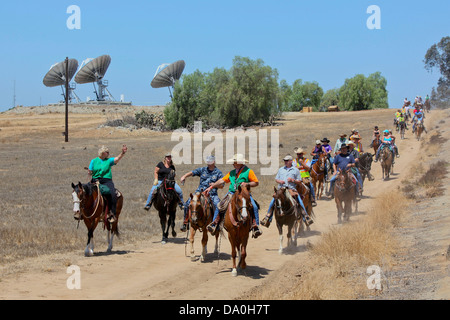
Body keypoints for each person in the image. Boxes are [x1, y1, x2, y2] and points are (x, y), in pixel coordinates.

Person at [204, 154, 262, 238]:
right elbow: (222, 180)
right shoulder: (232, 173)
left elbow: (256, 182)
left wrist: (247, 183)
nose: (233, 164)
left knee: (254, 206)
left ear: (240, 163)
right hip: (231, 193)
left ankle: (255, 226)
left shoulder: (249, 171)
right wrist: (211, 187)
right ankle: (214, 223)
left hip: (243, 194)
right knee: (220, 205)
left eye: (235, 162)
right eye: (233, 162)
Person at [261, 155, 314, 228]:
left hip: (291, 189)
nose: (285, 162)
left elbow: (300, 181)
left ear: (291, 161)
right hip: (281, 189)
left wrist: (293, 180)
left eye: (287, 160)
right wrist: (280, 181)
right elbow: (276, 179)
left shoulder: (296, 170)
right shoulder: (281, 169)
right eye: (284, 161)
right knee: (273, 201)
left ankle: (306, 217)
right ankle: (267, 218)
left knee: (299, 200)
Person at [179, 155, 224, 232]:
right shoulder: (203, 170)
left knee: (218, 206)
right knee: (187, 204)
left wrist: (214, 185)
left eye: (210, 162)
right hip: (199, 193)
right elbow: (193, 172)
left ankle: (215, 224)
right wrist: (184, 176)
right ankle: (185, 222)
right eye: (208, 162)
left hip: (212, 193)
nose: (209, 164)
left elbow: (222, 185)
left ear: (214, 162)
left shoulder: (218, 173)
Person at [85, 145, 127, 223]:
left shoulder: (108, 161)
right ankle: (81, 212)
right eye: (107, 152)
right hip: (95, 180)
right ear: (103, 153)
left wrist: (122, 153)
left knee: (113, 193)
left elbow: (117, 159)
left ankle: (111, 214)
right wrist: (89, 171)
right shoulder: (93, 161)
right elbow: (90, 171)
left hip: (107, 180)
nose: (108, 153)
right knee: (84, 191)